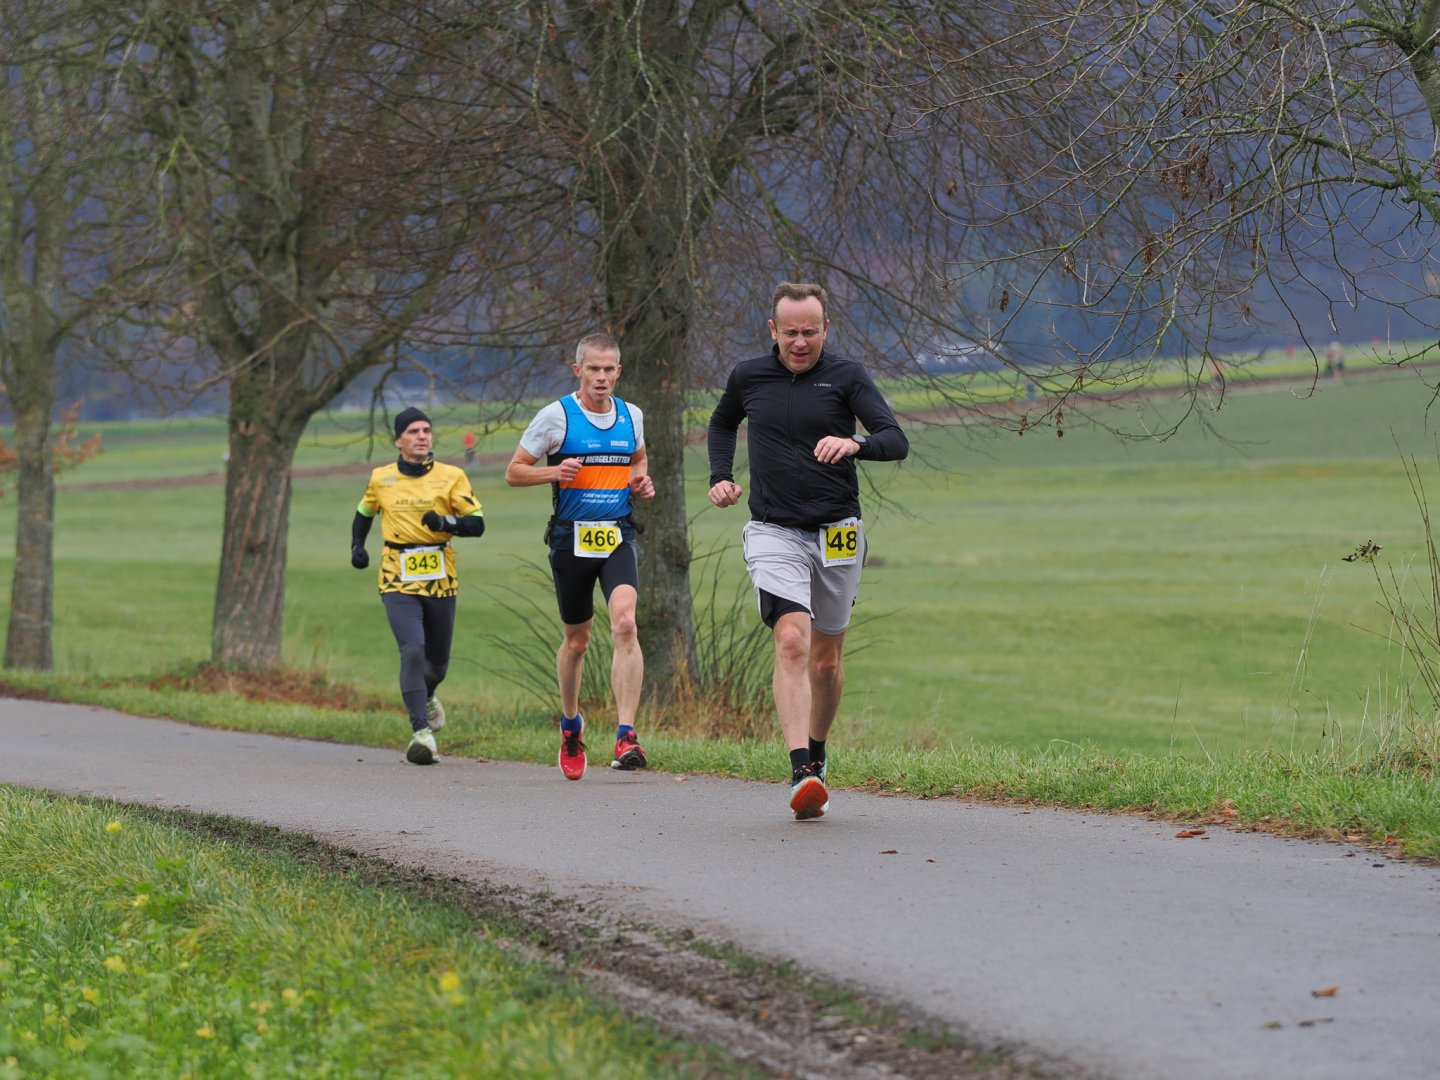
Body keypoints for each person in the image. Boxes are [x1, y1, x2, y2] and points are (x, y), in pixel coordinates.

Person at [707, 282, 909, 819]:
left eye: (810, 332)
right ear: (773, 330)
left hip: (837, 531)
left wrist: (855, 442)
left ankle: (818, 752)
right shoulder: (749, 376)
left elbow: (896, 440)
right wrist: (720, 476)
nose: (800, 342)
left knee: (825, 660)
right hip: (774, 529)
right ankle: (801, 771)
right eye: (791, 332)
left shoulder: (847, 376)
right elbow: (723, 421)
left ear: (826, 329)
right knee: (792, 640)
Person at [505, 332, 655, 780]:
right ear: (578, 370)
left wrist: (639, 482)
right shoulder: (556, 416)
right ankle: (571, 725)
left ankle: (626, 735)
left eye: (609, 369)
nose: (602, 377)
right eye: (593, 369)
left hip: (618, 535)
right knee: (577, 641)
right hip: (570, 539)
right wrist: (555, 471)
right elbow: (514, 472)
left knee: (625, 623)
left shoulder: (632, 415)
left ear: (619, 371)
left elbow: (639, 459)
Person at [350, 407, 486, 765]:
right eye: (413, 431)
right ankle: (421, 733)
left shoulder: (452, 476)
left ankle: (426, 695)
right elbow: (364, 513)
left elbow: (477, 524)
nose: (422, 436)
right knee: (412, 649)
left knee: (437, 665)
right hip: (396, 575)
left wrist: (445, 522)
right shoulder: (381, 478)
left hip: (441, 576)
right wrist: (357, 546)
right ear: (399, 440)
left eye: (426, 430)